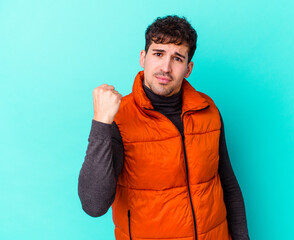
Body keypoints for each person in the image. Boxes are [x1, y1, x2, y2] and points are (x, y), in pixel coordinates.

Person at [78, 15, 250, 240]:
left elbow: (227, 183)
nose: (165, 68)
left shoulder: (208, 110)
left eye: (177, 58)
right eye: (158, 54)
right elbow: (94, 205)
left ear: (188, 68)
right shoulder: (118, 118)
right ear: (143, 57)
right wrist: (101, 123)